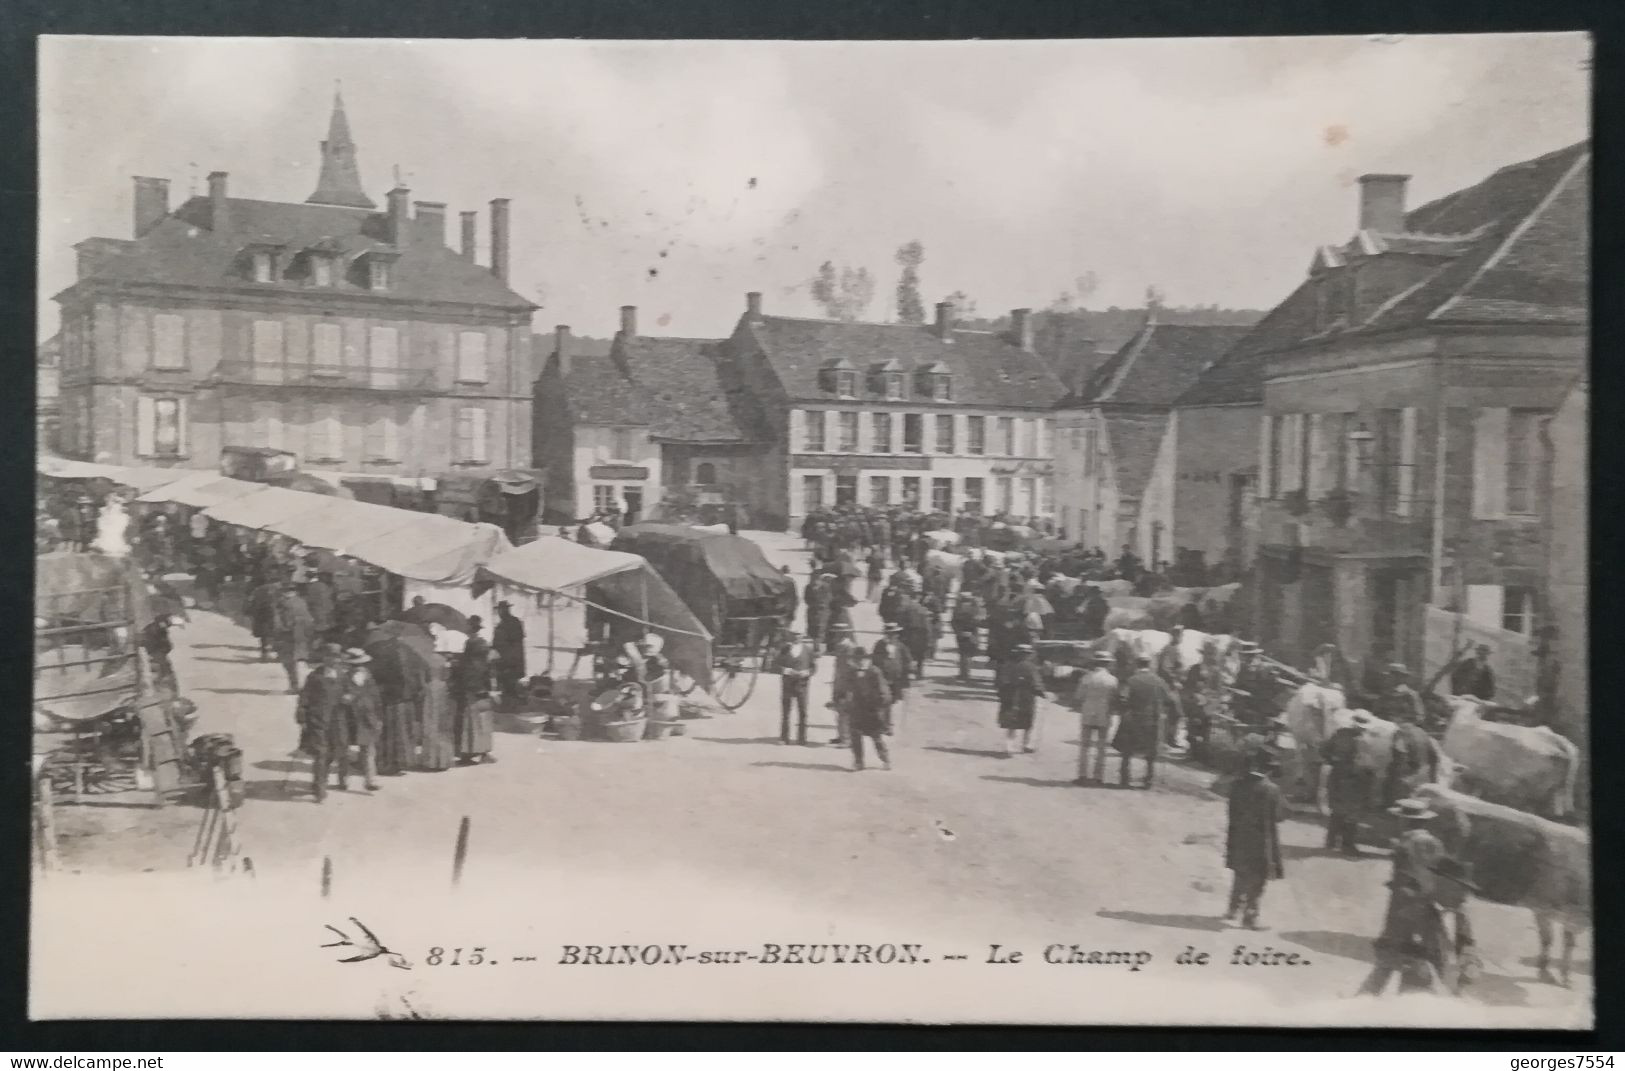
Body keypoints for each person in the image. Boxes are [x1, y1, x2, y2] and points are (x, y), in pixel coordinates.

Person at [1224, 753, 1285, 930]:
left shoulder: (1236, 785)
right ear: (1267, 770)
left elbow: (1231, 812)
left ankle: (1233, 908)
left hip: (1238, 836)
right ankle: (1250, 917)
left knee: (1240, 872)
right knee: (1258, 879)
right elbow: (1280, 815)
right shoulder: (1271, 789)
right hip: (1261, 840)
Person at [1114, 654, 1177, 788]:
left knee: (1127, 750)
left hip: (1133, 719)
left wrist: (1124, 710)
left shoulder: (1131, 680)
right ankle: (1149, 779)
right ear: (1149, 665)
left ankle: (1124, 778)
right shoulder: (1159, 681)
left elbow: (1122, 698)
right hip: (1151, 720)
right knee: (1150, 751)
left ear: (1137, 665)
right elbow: (1170, 700)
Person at [296, 643, 348, 802]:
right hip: (317, 721)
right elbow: (303, 699)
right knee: (320, 753)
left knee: (332, 753)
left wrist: (350, 699)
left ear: (339, 659)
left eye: (335, 657)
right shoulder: (314, 677)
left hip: (337, 721)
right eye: (329, 656)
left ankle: (319, 780)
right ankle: (320, 789)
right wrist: (302, 719)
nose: (332, 660)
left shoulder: (343, 676)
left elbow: (353, 694)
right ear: (324, 658)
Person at [1322, 712, 1372, 856]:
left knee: (1337, 810)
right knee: (1352, 813)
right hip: (1353, 781)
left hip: (1337, 776)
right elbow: (1363, 764)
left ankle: (1330, 841)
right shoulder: (1363, 741)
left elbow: (1324, 751)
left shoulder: (1339, 734)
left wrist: (1334, 761)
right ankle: (1347, 845)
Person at [337, 648, 382, 793]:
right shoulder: (342, 678)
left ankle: (370, 780)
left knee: (368, 750)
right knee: (344, 749)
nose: (359, 667)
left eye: (361, 664)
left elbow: (376, 698)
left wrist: (377, 716)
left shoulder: (368, 677)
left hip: (366, 717)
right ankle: (343, 780)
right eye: (356, 665)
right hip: (347, 716)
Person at [1072, 651, 1119, 784]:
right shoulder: (1112, 680)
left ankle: (1082, 775)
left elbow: (1079, 696)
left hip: (1088, 713)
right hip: (1104, 714)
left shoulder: (1086, 678)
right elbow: (1115, 699)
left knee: (1085, 746)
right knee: (1101, 746)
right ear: (1108, 664)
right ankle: (1098, 776)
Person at [844, 647, 893, 772]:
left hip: (872, 710)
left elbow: (884, 692)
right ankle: (858, 761)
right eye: (857, 660)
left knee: (876, 736)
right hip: (856, 710)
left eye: (862, 659)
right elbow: (846, 688)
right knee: (855, 735)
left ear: (867, 660)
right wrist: (844, 701)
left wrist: (879, 705)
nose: (860, 662)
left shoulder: (875, 672)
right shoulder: (851, 672)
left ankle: (885, 759)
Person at [996, 644, 1046, 756]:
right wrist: (1042, 692)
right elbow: (1036, 682)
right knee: (1027, 722)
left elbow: (1000, 682)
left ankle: (1009, 747)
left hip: (1009, 697)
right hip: (1026, 697)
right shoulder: (1030, 667)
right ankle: (1026, 745)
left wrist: (1002, 694)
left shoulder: (1007, 665)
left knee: (1011, 723)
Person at [774, 628, 816, 745]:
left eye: (799, 635)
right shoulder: (785, 649)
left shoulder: (808, 650)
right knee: (786, 712)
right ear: (790, 636)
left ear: (802, 636)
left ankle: (802, 738)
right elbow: (774, 665)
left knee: (803, 711)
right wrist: (787, 670)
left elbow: (813, 667)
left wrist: (807, 672)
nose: (796, 637)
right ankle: (784, 737)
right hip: (787, 684)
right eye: (794, 635)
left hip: (802, 685)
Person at [273, 583, 316, 694]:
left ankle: (295, 686)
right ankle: (305, 686)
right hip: (302, 635)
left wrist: (279, 632)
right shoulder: (301, 601)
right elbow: (309, 618)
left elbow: (284, 623)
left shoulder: (283, 603)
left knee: (288, 662)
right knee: (301, 661)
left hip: (289, 635)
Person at [826, 623, 860, 746]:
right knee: (838, 710)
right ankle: (841, 735)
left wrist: (850, 686)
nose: (835, 635)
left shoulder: (849, 647)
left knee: (845, 711)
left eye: (837, 633)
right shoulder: (840, 646)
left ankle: (847, 739)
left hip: (847, 684)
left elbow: (852, 667)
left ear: (843, 633)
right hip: (839, 682)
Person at [492, 601, 527, 711]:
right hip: (509, 661)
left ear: (506, 610)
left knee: (509, 685)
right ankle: (510, 706)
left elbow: (510, 642)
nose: (500, 612)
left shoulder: (511, 623)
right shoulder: (507, 623)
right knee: (507, 685)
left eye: (501, 610)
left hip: (510, 661)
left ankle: (511, 708)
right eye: (499, 610)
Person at [455, 688, 497, 765]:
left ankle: (470, 754)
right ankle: (476, 754)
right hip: (473, 695)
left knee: (474, 724)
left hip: (472, 695)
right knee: (478, 724)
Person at [140, 613, 181, 692]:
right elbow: (159, 642)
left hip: (156, 651)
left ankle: (161, 685)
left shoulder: (157, 628)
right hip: (155, 652)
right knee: (164, 669)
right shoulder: (155, 629)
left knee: (164, 669)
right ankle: (162, 687)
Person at [951, 591, 985, 683]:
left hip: (961, 633)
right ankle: (967, 673)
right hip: (972, 633)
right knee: (969, 653)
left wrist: (958, 631)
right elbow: (980, 621)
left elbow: (953, 621)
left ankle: (963, 673)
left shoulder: (958, 608)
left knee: (962, 654)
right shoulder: (975, 608)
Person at [247, 574, 282, 661]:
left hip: (260, 613)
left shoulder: (257, 590)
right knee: (277, 634)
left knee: (264, 635)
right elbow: (281, 601)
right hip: (272, 613)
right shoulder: (276, 589)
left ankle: (264, 654)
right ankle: (279, 655)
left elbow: (251, 601)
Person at [898, 592, 933, 681]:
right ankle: (919, 674)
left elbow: (901, 623)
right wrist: (929, 639)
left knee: (907, 654)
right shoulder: (923, 609)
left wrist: (901, 635)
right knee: (920, 656)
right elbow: (927, 626)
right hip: (921, 635)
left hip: (909, 634)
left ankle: (905, 673)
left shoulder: (905, 609)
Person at [804, 572, 831, 655]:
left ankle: (818, 649)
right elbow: (806, 599)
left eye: (815, 579)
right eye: (811, 579)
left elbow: (828, 599)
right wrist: (812, 604)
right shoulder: (808, 587)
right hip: (812, 611)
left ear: (819, 580)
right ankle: (815, 647)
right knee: (812, 630)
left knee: (819, 630)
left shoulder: (826, 587)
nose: (813, 581)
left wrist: (821, 604)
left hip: (822, 612)